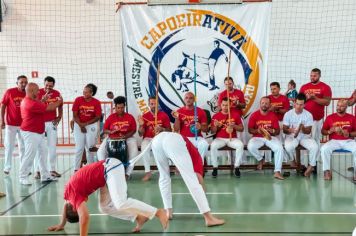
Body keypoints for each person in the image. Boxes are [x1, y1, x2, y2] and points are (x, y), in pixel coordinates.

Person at [47, 158, 168, 235]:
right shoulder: (68, 196)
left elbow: (85, 217)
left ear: (74, 208)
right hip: (103, 178)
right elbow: (65, 208)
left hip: (109, 168)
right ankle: (139, 217)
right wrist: (62, 224)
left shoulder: (74, 197)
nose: (82, 206)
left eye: (78, 208)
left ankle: (158, 212)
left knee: (120, 202)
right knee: (104, 207)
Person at [151, 131, 225, 227]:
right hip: (172, 140)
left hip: (156, 140)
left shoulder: (187, 149)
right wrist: (205, 199)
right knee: (192, 181)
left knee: (164, 176)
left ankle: (168, 212)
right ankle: (209, 218)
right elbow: (199, 182)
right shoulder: (197, 159)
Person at [19, 83, 62, 185]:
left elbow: (40, 104)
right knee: (30, 154)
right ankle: (22, 176)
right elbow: (50, 108)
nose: (39, 92)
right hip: (30, 132)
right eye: (37, 90)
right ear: (31, 91)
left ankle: (45, 175)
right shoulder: (30, 103)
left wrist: (43, 99)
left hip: (38, 132)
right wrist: (59, 101)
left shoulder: (32, 101)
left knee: (43, 152)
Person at [97, 96, 138, 178]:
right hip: (112, 138)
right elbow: (105, 130)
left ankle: (127, 173)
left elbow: (133, 130)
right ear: (115, 107)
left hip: (127, 138)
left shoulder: (130, 117)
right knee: (100, 152)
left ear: (124, 107)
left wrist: (125, 136)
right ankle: (105, 171)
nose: (120, 110)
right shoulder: (111, 117)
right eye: (118, 108)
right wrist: (111, 132)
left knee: (134, 152)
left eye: (122, 108)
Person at [247, 97, 285, 180]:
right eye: (263, 103)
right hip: (257, 137)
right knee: (250, 146)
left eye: (266, 103)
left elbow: (277, 131)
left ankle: (277, 172)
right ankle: (261, 159)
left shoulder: (273, 115)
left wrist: (272, 130)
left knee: (279, 148)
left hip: (270, 137)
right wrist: (257, 130)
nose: (264, 105)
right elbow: (250, 130)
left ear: (269, 105)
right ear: (260, 104)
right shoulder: (254, 115)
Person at [283, 93, 318, 177]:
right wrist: (289, 130)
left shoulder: (309, 115)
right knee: (288, 147)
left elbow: (308, 131)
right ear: (294, 103)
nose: (298, 106)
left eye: (301, 105)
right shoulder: (288, 114)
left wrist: (302, 128)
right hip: (292, 136)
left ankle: (311, 166)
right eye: (297, 104)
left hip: (304, 137)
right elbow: (284, 129)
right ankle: (292, 160)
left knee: (315, 147)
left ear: (304, 104)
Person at [34, 76, 63, 179]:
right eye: (46, 85)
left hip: (51, 123)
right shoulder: (38, 92)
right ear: (44, 83)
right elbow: (35, 106)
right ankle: (37, 170)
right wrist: (42, 99)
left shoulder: (57, 93)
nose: (48, 87)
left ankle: (52, 169)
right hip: (40, 122)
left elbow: (60, 105)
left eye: (50, 86)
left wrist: (59, 117)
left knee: (52, 147)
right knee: (39, 147)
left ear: (53, 85)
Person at [321, 99, 356, 181]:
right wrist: (330, 131)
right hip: (334, 141)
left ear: (346, 107)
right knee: (324, 149)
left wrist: (349, 134)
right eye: (338, 105)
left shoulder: (352, 118)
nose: (339, 107)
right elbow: (323, 131)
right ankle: (326, 171)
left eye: (342, 106)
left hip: (349, 141)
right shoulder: (330, 117)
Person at [138, 96, 171, 181]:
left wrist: (162, 129)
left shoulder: (164, 115)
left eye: (155, 104)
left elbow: (169, 130)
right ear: (149, 105)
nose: (153, 105)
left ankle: (163, 172)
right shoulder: (144, 116)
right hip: (148, 139)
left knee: (162, 150)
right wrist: (141, 125)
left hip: (160, 138)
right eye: (152, 104)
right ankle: (147, 172)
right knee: (144, 147)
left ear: (158, 104)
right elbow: (140, 134)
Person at [299, 68, 332, 154]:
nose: (312, 77)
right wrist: (306, 98)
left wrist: (315, 98)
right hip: (305, 119)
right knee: (304, 139)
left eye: (315, 76)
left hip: (317, 119)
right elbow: (298, 101)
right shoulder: (304, 87)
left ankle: (315, 162)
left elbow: (327, 102)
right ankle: (304, 161)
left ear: (319, 76)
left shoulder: (325, 87)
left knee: (315, 139)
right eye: (311, 75)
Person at [210, 97, 244, 178]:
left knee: (240, 145)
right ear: (220, 105)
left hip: (232, 138)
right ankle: (215, 167)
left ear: (230, 105)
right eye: (223, 105)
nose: (225, 107)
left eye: (227, 105)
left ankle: (237, 167)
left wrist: (234, 126)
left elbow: (242, 129)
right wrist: (216, 126)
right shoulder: (216, 115)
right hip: (220, 138)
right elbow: (212, 131)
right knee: (213, 146)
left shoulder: (235, 115)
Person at [0, 75, 27, 175]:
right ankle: (7, 167)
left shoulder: (28, 93)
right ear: (17, 83)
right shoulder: (10, 92)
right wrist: (2, 120)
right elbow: (3, 105)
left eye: (25, 82)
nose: (24, 84)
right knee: (9, 146)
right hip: (10, 124)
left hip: (24, 125)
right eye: (21, 82)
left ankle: (23, 168)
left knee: (23, 147)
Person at [72, 83, 102, 171]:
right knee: (79, 148)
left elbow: (97, 117)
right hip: (78, 124)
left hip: (91, 125)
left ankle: (91, 169)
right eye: (83, 92)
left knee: (90, 148)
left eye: (86, 92)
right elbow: (75, 114)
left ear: (91, 93)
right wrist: (81, 124)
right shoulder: (78, 100)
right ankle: (76, 169)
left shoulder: (96, 102)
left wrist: (86, 124)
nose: (84, 94)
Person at [173, 92, 209, 161]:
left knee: (204, 145)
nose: (188, 100)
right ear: (184, 99)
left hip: (197, 137)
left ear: (194, 100)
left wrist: (200, 126)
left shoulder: (200, 111)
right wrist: (177, 118)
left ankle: (199, 165)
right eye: (186, 98)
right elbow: (176, 129)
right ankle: (181, 165)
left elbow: (206, 129)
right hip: (184, 138)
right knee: (175, 145)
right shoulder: (179, 111)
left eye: (191, 98)